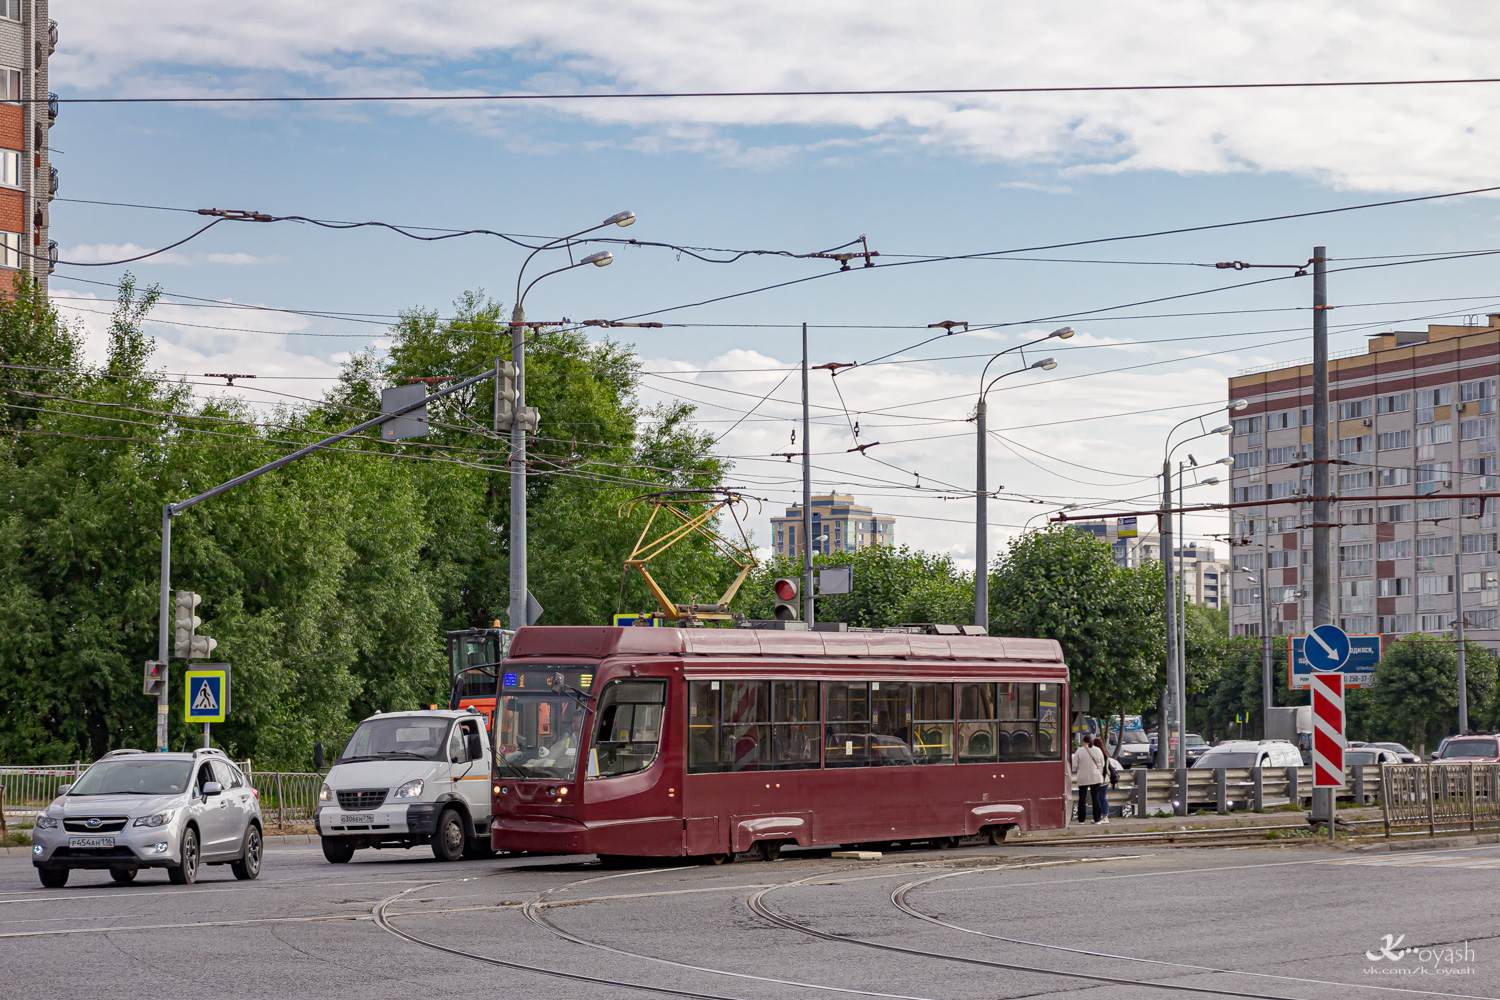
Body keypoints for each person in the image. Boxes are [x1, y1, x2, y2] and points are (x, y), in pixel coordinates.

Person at [1071, 734, 1105, 824]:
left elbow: (1074, 764)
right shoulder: (1098, 750)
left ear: (1083, 741)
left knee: (1082, 798)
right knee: (1095, 798)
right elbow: (1102, 764)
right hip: (1095, 776)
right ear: (1092, 741)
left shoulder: (1079, 751)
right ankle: (1097, 819)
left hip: (1082, 777)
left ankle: (1081, 820)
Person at [1092, 734, 1117, 824]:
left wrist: (1099, 778)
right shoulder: (1105, 754)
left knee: (1101, 797)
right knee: (1101, 797)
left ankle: (1105, 816)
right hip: (1105, 779)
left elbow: (1101, 768)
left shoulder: (1100, 755)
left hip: (1102, 779)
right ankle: (1102, 816)